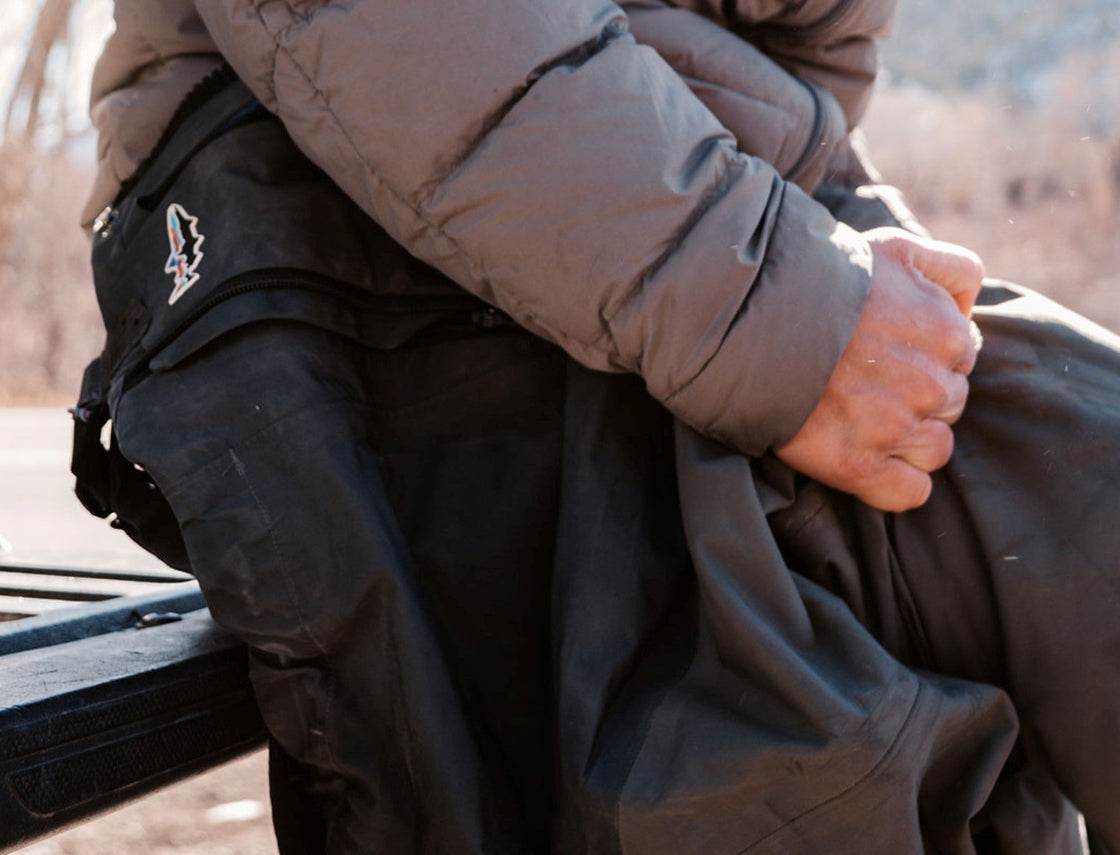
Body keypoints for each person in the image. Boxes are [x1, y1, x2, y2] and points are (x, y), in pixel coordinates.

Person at [70, 0, 1120, 852]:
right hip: (355, 212)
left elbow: (817, 59)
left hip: (704, 188)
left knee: (1074, 478)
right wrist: (760, 299)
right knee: (776, 767)